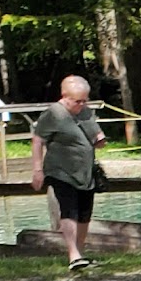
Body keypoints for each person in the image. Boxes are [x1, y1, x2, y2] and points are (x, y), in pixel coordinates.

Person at [29, 74, 105, 270]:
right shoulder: (53, 114)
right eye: (77, 101)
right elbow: (38, 140)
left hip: (84, 172)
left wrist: (99, 139)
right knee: (69, 209)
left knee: (84, 213)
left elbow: (97, 135)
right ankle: (73, 254)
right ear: (64, 96)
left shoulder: (86, 112)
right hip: (61, 170)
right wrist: (37, 170)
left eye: (84, 100)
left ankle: (80, 254)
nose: (81, 104)